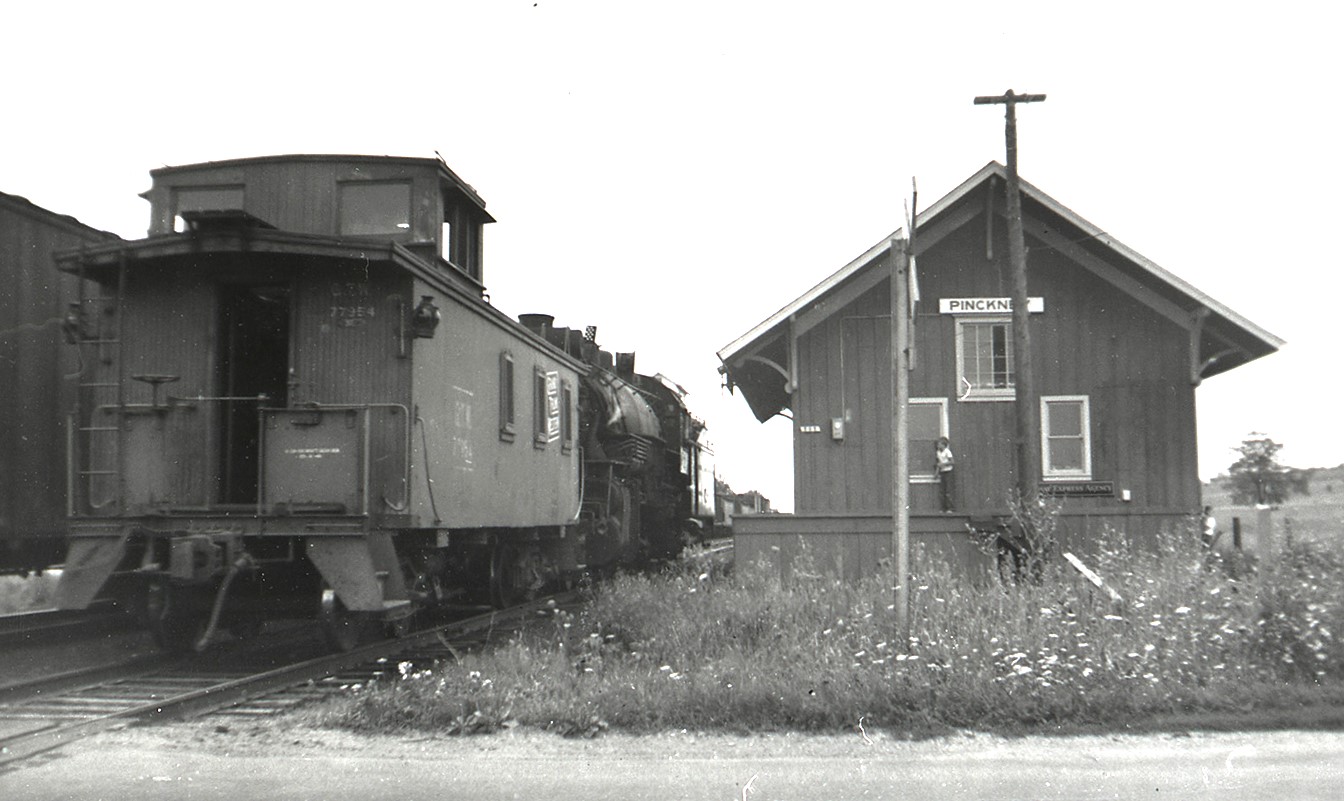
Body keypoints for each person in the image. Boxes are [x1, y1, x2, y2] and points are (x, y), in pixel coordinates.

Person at [935, 436, 956, 512]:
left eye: (939, 444)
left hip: (948, 471)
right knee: (942, 491)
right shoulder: (938, 452)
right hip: (942, 472)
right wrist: (937, 473)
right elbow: (939, 463)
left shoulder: (947, 452)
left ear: (944, 445)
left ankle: (950, 508)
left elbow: (952, 462)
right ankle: (943, 508)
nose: (938, 445)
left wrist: (944, 464)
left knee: (948, 491)